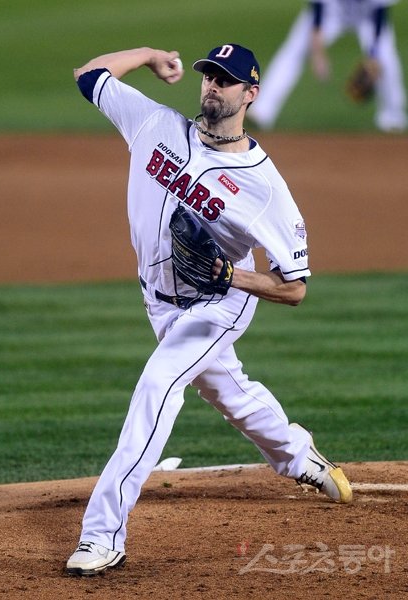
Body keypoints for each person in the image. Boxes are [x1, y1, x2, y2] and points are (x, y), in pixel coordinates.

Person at [66, 43, 352, 577]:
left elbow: (294, 288)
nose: (213, 86)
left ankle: (102, 533)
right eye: (208, 77)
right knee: (226, 390)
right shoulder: (155, 124)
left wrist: (230, 276)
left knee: (158, 388)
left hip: (217, 306)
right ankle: (296, 452)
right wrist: (151, 54)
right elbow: (90, 74)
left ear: (250, 94)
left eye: (226, 80)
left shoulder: (264, 189)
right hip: (158, 300)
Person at [248, 0, 407, 132]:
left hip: (367, 17)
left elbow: (380, 12)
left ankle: (393, 117)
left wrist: (374, 55)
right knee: (294, 51)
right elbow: (318, 6)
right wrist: (318, 51)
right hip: (330, 13)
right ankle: (262, 111)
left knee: (386, 59)